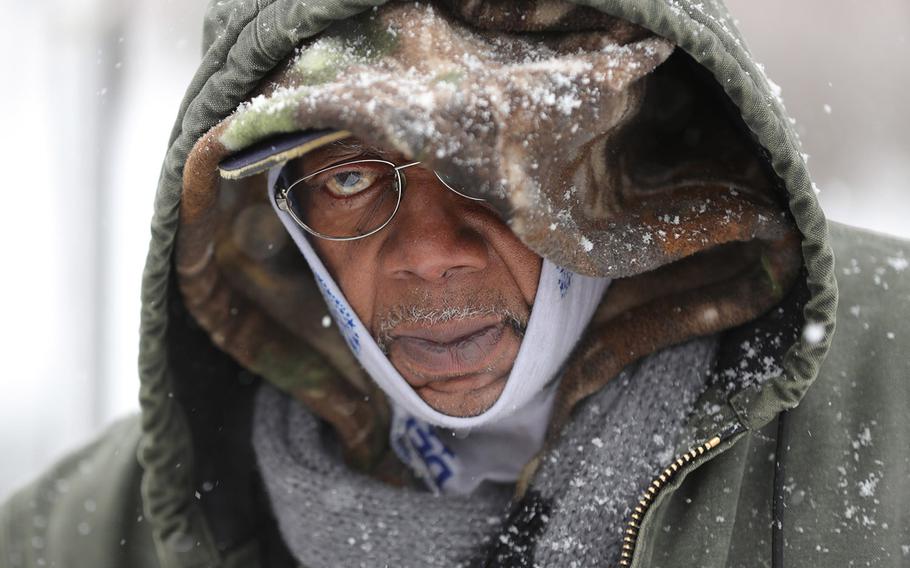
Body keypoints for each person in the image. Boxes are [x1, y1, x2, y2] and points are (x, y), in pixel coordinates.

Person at [2, 1, 908, 566]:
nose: (429, 253)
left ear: (618, 166)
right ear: (269, 218)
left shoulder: (887, 408)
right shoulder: (85, 537)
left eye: (492, 165)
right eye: (349, 176)